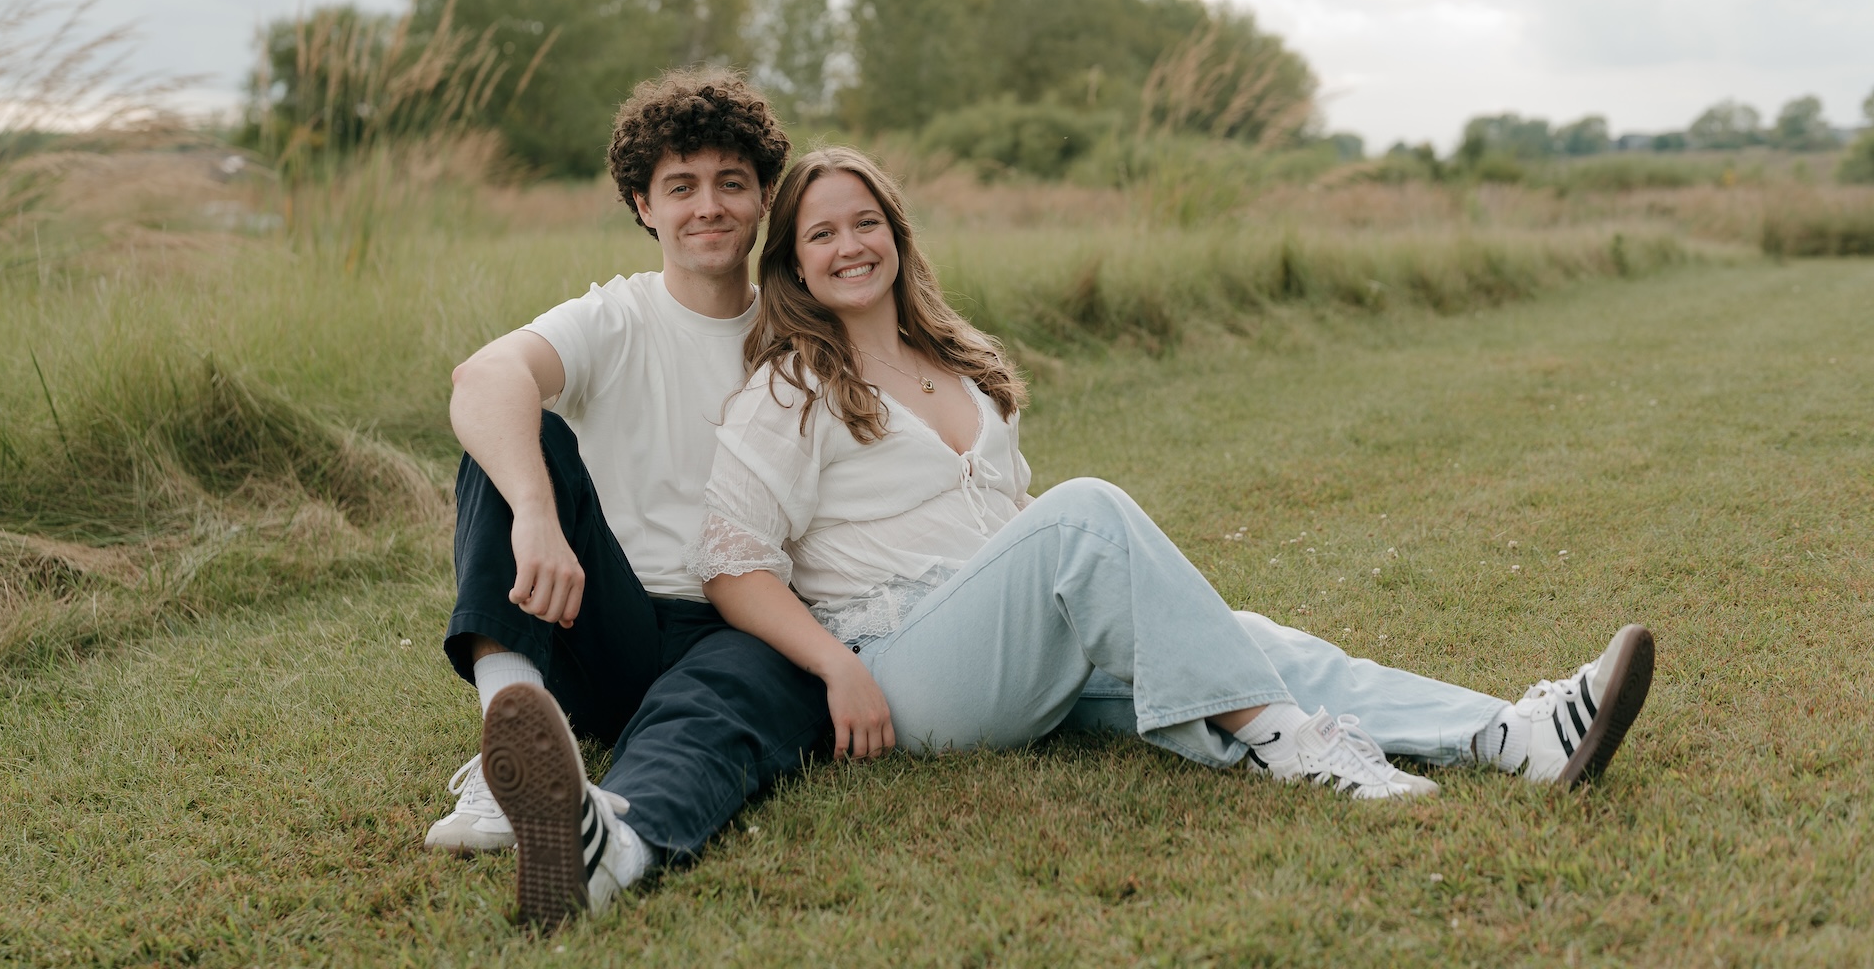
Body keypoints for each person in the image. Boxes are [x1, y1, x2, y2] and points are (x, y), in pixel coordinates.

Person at [692, 147, 1656, 798]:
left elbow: (1009, 526)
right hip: (904, 671)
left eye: (865, 222)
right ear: (794, 265)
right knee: (1085, 514)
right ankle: (1294, 748)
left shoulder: (957, 359)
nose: (849, 246)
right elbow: (733, 567)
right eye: (821, 235)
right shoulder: (792, 389)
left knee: (1245, 639)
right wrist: (838, 670)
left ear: (896, 234)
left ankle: (1512, 737)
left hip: (1014, 644)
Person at [426, 71, 830, 928]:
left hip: (743, 625)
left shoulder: (802, 340)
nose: (707, 206)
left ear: (763, 201)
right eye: (680, 187)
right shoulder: (616, 317)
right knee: (511, 435)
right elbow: (483, 378)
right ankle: (509, 740)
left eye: (731, 183)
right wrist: (536, 511)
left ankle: (606, 839)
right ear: (645, 207)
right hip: (601, 623)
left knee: (714, 716)